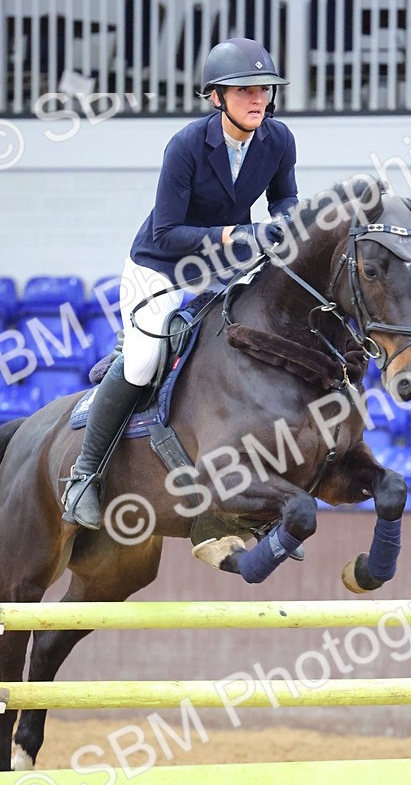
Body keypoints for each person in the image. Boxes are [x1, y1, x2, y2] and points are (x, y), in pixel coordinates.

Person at [62, 37, 299, 530]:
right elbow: (168, 232)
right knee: (146, 360)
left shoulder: (278, 141)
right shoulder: (187, 146)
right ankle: (84, 476)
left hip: (224, 266)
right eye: (245, 90)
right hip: (161, 265)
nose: (258, 99)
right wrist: (239, 232)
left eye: (264, 90)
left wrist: (293, 229)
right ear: (216, 97)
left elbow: (283, 200)